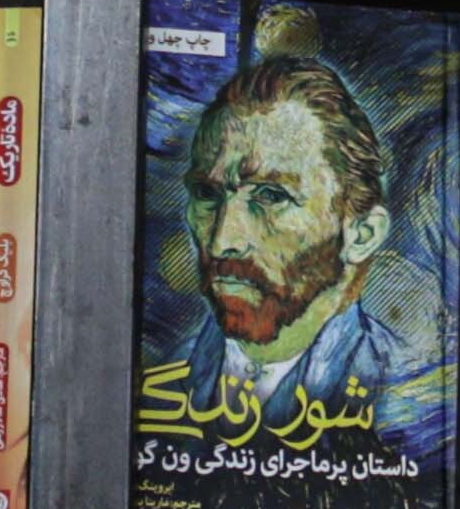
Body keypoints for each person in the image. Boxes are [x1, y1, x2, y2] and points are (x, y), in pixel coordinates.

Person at [145, 48, 422, 456]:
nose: (222, 241)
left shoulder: (408, 401)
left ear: (361, 234)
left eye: (271, 196)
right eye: (207, 193)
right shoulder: (162, 387)